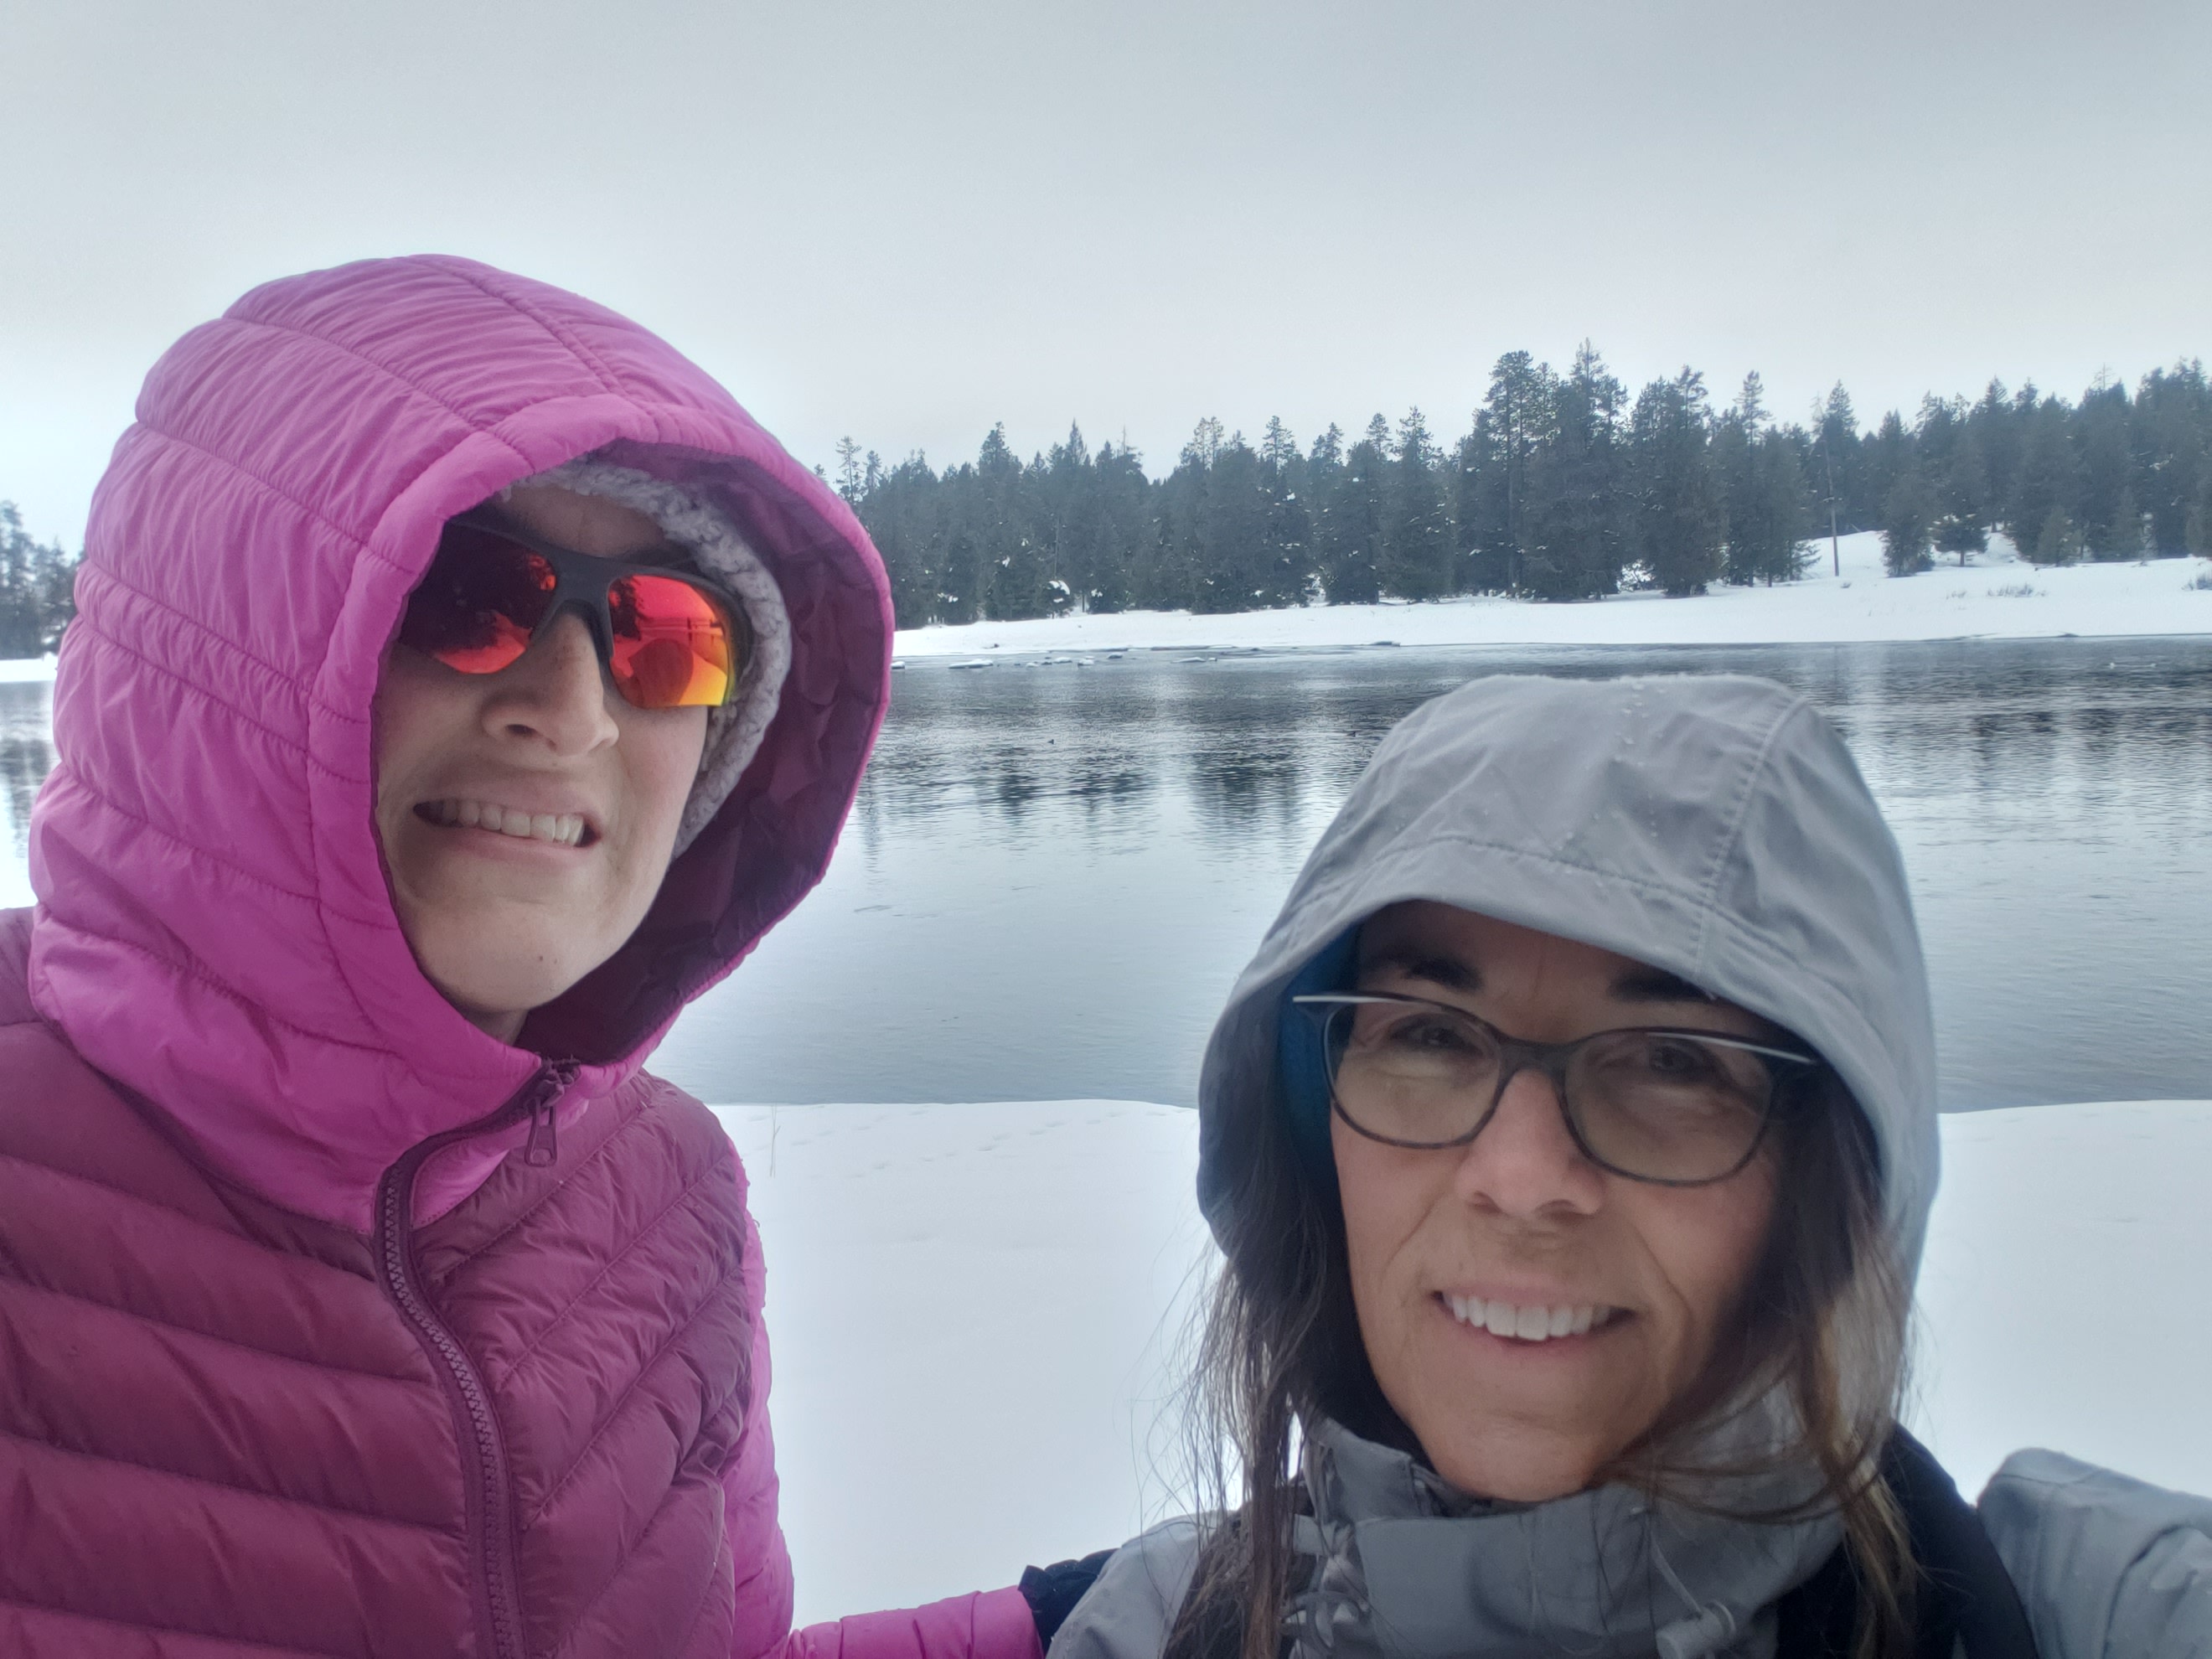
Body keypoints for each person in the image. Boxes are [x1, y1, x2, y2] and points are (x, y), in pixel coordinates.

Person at [0, 256, 1046, 1659]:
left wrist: (1075, 1622)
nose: (573, 712)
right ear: (231, 646)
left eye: (664, 640)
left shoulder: (664, 1194)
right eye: (467, 593)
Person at [1036, 674, 2211, 1659]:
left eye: (1670, 1060)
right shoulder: (1153, 1626)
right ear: (1307, 1125)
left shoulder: (2080, 1611)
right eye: (1430, 1037)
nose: (1522, 1175)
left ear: (1830, 1169)